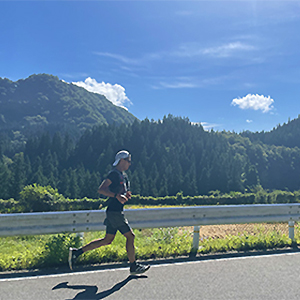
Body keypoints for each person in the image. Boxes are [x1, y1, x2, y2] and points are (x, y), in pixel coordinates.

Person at [68, 150, 150, 275]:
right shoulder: (114, 174)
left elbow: (116, 193)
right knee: (130, 236)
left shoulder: (123, 175)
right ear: (121, 161)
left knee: (107, 240)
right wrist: (117, 195)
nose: (130, 163)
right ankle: (133, 266)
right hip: (115, 213)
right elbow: (101, 189)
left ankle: (76, 252)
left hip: (114, 212)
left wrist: (124, 195)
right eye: (128, 161)